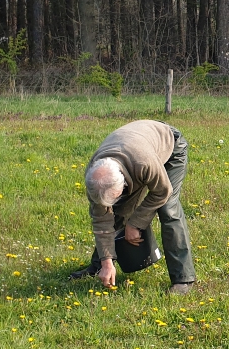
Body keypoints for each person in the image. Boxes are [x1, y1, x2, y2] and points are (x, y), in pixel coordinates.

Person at [70, 120, 196, 295]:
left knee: (168, 209)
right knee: (119, 210)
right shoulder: (96, 177)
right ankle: (100, 267)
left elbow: (162, 192)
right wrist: (107, 260)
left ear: (123, 183)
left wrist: (135, 223)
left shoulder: (143, 163)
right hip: (134, 150)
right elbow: (101, 220)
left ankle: (183, 278)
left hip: (169, 145)